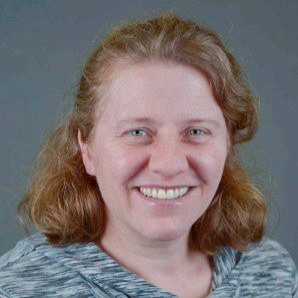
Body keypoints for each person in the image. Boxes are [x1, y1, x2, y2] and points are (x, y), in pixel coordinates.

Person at [0, 11, 297, 298]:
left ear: (228, 145)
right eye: (137, 132)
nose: (169, 164)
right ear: (86, 149)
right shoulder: (17, 288)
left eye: (196, 132)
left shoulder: (271, 272)